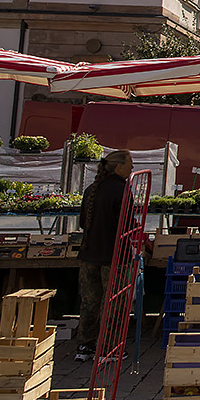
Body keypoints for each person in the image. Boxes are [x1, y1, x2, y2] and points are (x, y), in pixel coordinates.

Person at [75, 149, 132, 362]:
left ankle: (85, 344)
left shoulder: (92, 189)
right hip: (114, 255)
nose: (132, 167)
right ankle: (110, 347)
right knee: (115, 302)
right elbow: (125, 224)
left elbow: (83, 222)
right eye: (129, 163)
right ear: (118, 167)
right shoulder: (121, 189)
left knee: (90, 301)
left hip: (89, 253)